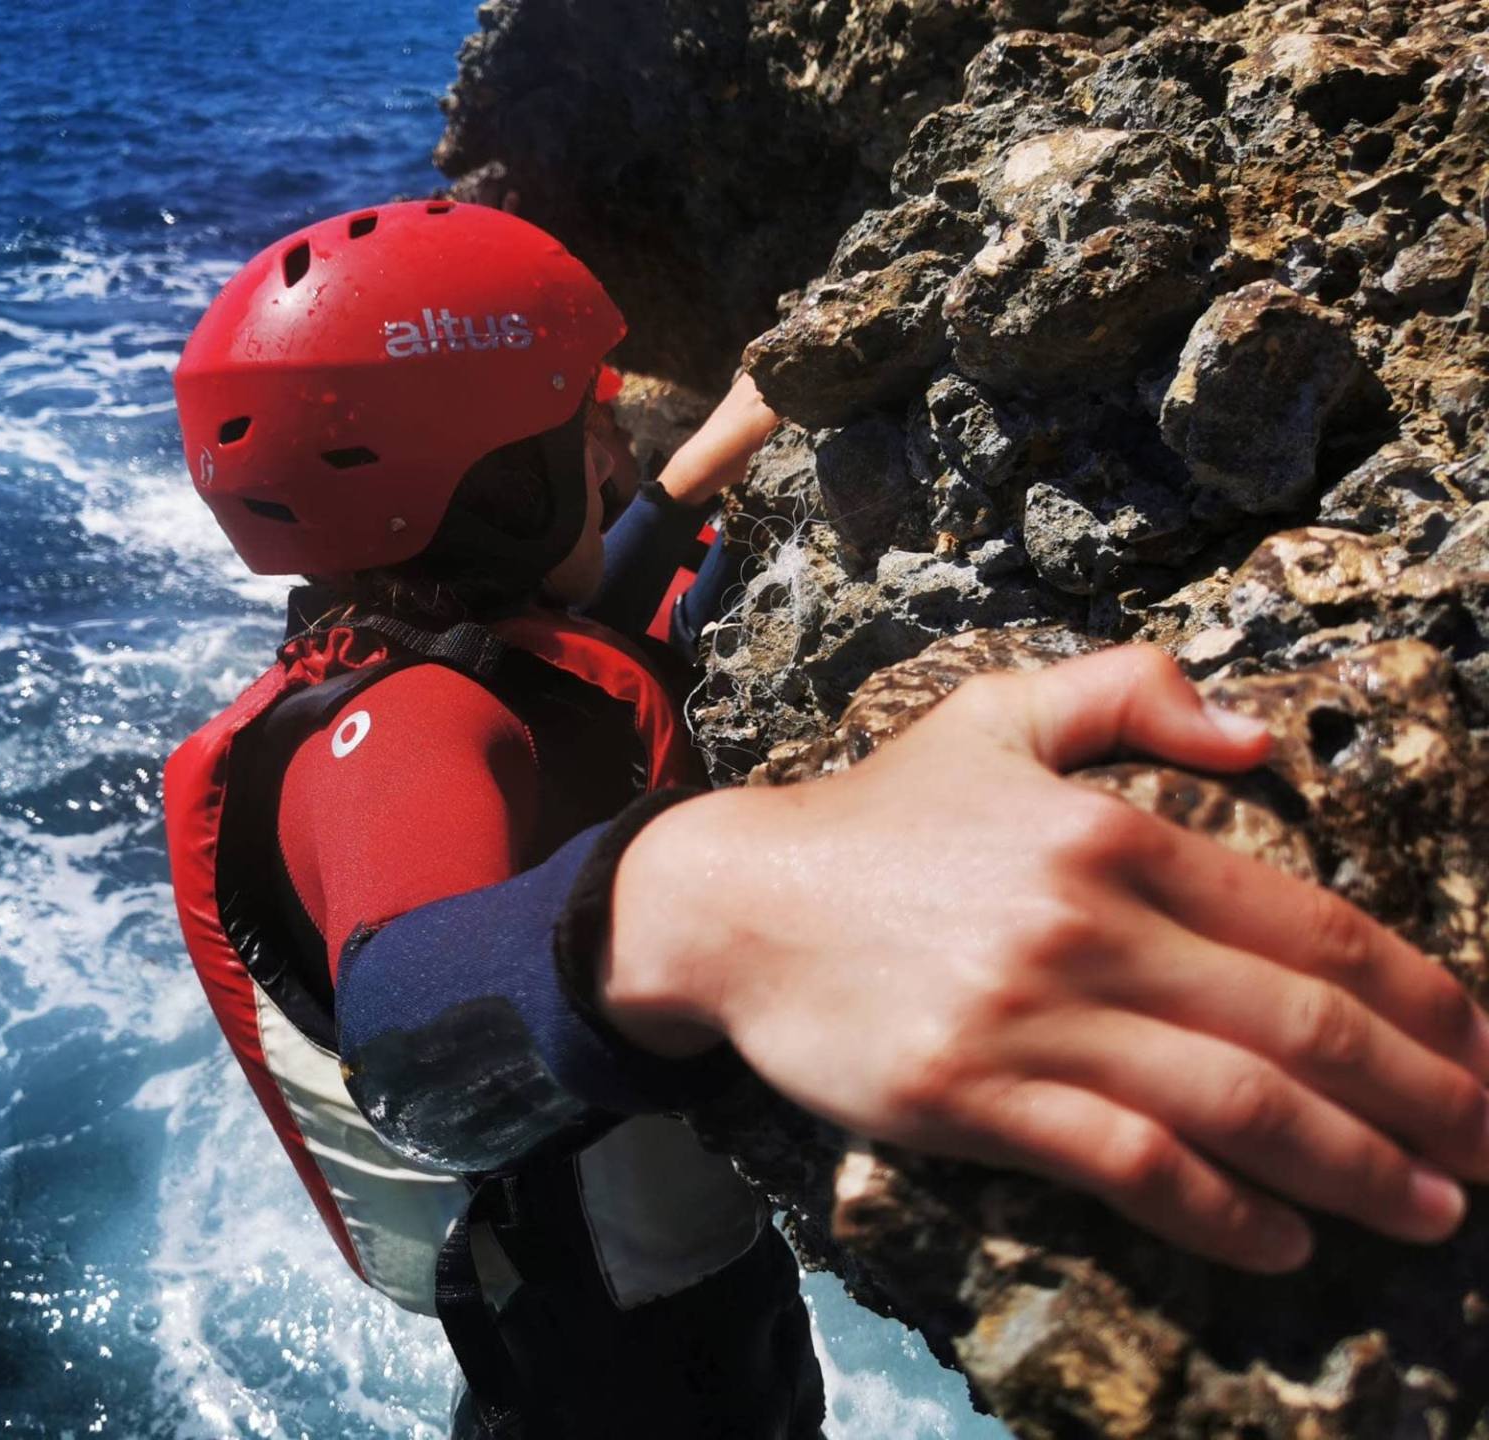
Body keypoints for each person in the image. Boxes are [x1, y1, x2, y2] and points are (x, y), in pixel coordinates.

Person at [163, 201, 1489, 1439]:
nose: (613, 445)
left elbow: (555, 645)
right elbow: (408, 1034)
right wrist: (718, 901)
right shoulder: (391, 737)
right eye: (581, 422)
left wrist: (686, 488)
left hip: (598, 1282)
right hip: (616, 1360)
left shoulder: (411, 647)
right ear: (494, 482)